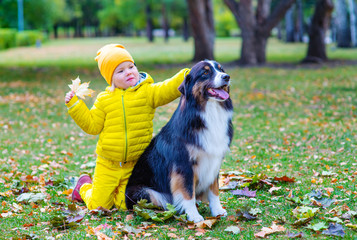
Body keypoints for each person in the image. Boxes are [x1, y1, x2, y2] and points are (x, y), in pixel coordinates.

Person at [65, 44, 189, 210]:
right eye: (120, 71)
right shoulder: (104, 100)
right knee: (98, 206)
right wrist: (75, 106)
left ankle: (117, 195)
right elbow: (92, 126)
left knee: (128, 204)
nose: (129, 72)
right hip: (108, 164)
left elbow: (167, 89)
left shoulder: (147, 92)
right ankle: (84, 187)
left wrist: (186, 75)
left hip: (135, 165)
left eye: (131, 67)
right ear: (111, 78)